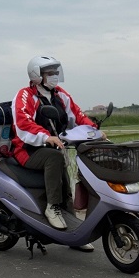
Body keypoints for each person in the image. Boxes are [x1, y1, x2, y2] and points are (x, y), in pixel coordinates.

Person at [11, 56, 103, 251]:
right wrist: (46, 137)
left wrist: (94, 130)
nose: (54, 76)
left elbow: (77, 116)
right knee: (54, 157)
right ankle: (52, 207)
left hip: (54, 147)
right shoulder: (25, 96)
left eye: (55, 72)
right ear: (37, 75)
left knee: (64, 176)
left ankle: (73, 232)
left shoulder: (60, 94)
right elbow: (23, 123)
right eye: (49, 73)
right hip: (27, 149)